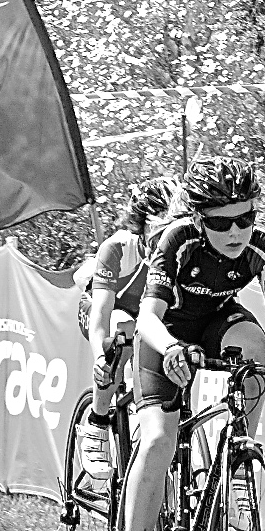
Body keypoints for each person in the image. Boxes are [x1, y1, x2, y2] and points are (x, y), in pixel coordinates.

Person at [112, 156, 265, 531]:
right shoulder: (175, 240)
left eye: (246, 218)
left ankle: (238, 461)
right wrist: (170, 349)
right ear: (199, 219)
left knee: (255, 346)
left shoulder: (263, 248)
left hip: (218, 321)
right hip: (166, 334)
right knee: (158, 440)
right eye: (221, 223)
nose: (236, 231)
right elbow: (148, 318)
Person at [74, 176, 181, 478]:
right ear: (141, 227)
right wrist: (100, 357)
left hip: (145, 315)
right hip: (105, 310)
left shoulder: (181, 252)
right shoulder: (118, 249)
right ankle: (97, 422)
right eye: (159, 233)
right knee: (122, 328)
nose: (166, 242)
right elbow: (101, 314)